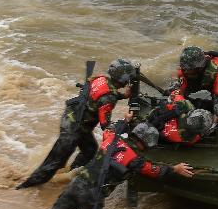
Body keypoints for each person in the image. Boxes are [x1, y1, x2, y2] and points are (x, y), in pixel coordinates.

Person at [21, 120, 193, 209]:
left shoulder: (111, 139)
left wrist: (125, 121)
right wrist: (174, 169)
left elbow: (110, 128)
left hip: (76, 183)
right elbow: (154, 171)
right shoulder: (134, 159)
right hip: (93, 196)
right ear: (145, 143)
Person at [16, 59, 136, 189]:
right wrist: (125, 121)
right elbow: (105, 125)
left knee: (89, 151)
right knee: (53, 163)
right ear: (123, 79)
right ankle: (26, 186)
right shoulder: (109, 97)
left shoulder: (102, 79)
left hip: (72, 118)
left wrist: (123, 96)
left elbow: (100, 96)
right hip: (74, 129)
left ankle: (71, 174)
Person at [147, 90, 215, 145]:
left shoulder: (174, 134)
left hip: (169, 126)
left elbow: (158, 131)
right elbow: (177, 94)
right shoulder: (189, 106)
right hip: (176, 117)